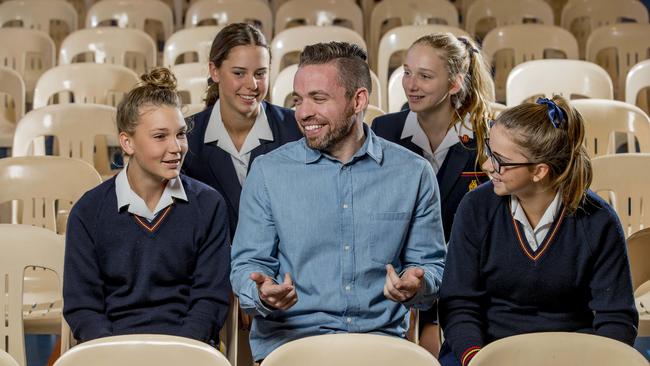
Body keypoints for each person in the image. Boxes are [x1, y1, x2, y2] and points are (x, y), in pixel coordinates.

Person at [230, 41, 447, 361]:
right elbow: (248, 266)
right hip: (291, 347)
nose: (303, 113)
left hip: (380, 345)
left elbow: (430, 267)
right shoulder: (267, 172)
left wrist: (418, 285)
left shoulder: (413, 173)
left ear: (358, 100)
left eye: (318, 98)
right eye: (298, 100)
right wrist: (262, 294)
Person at [438, 96, 639, 366]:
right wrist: (477, 358)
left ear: (539, 171)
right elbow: (459, 304)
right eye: (489, 150)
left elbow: (616, 319)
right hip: (486, 353)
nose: (486, 166)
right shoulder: (476, 207)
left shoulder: (598, 221)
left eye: (500, 160)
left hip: (571, 358)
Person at [63, 67, 231, 345]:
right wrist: (114, 356)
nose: (176, 147)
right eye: (160, 136)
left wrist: (177, 354)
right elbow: (84, 307)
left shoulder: (208, 204)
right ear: (127, 142)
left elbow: (209, 301)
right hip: (111, 353)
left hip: (186, 352)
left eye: (180, 134)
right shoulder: (88, 211)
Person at [372, 32, 494, 356]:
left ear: (454, 84)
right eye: (407, 72)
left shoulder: (488, 137)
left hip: (470, 272)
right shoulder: (384, 131)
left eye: (425, 76)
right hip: (401, 268)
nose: (411, 85)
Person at [183, 23, 302, 237]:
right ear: (214, 71)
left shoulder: (296, 129)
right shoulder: (186, 137)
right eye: (239, 73)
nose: (253, 84)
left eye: (260, 73)